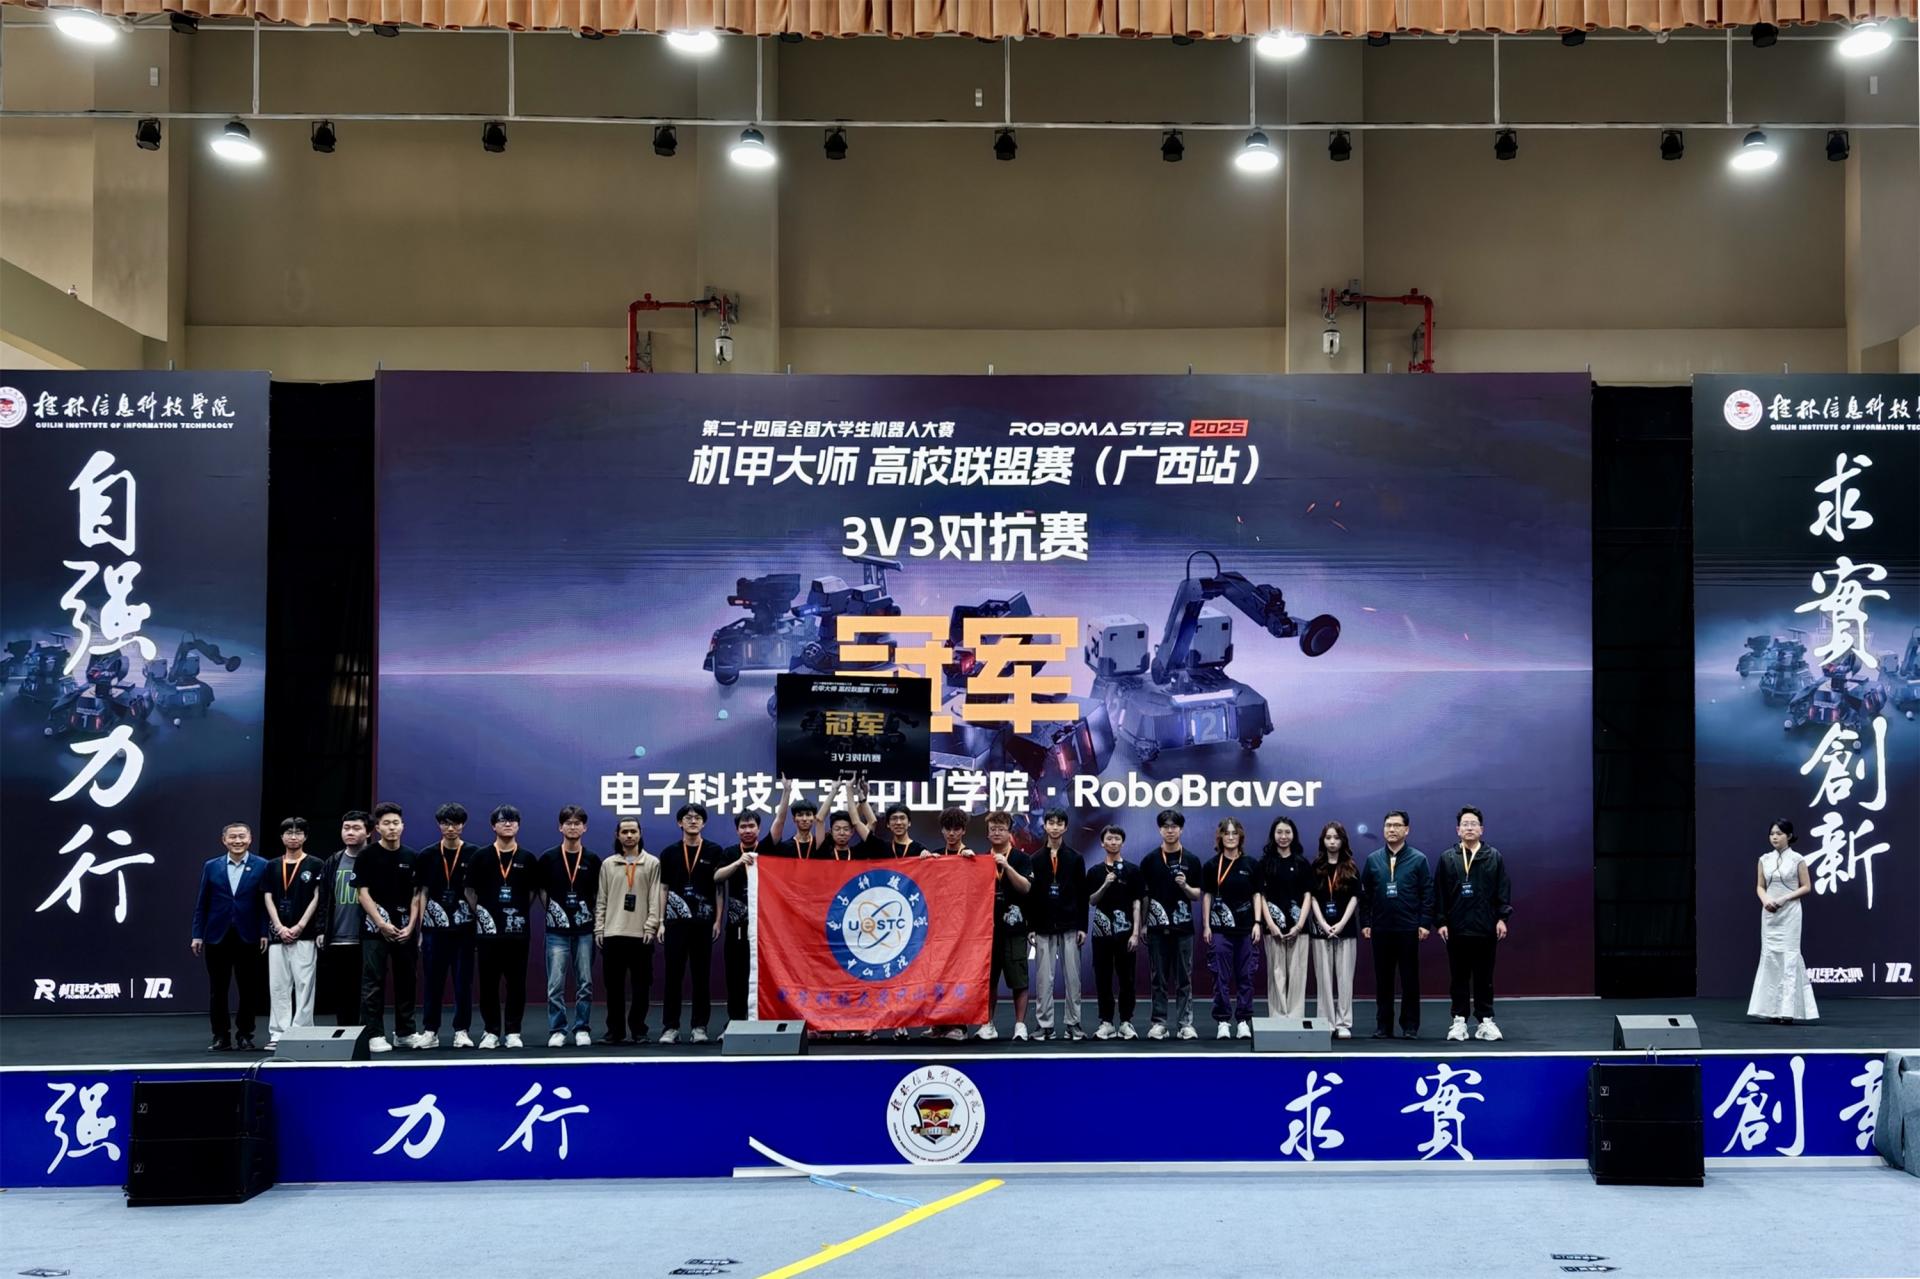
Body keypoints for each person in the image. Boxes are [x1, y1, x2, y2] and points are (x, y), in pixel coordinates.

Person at [1434, 805, 1513, 1042]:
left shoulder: (1493, 856)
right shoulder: (1448, 858)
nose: (1469, 828)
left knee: (1484, 977)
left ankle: (1485, 1020)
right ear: (1458, 830)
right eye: (1465, 824)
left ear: (1481, 829)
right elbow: (1439, 893)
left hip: (1485, 928)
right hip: (1456, 928)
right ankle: (1459, 1021)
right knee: (1458, 977)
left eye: (1473, 824)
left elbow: (1503, 890)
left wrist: (1502, 918)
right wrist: (1441, 922)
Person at [191, 822, 270, 1051]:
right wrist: (197, 934)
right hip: (217, 936)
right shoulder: (211, 866)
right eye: (233, 837)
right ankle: (220, 1036)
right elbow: (202, 903)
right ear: (224, 840)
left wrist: (264, 931)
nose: (237, 841)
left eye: (242, 836)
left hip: (249, 936)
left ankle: (245, 1034)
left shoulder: (262, 865)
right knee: (218, 990)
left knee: (248, 989)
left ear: (250, 839)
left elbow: (265, 903)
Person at [466, 804, 539, 1049]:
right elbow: (469, 891)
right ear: (493, 826)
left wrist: (516, 913)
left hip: (517, 934)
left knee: (516, 984)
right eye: (502, 820)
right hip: (488, 934)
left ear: (518, 825)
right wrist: (484, 914)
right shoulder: (480, 856)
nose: (507, 824)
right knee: (488, 984)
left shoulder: (527, 858)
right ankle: (491, 1031)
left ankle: (513, 1032)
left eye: (512, 820)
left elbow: (531, 893)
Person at [353, 801, 423, 1054]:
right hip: (375, 929)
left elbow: (417, 895)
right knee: (373, 982)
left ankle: (405, 1033)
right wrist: (381, 923)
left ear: (402, 826)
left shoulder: (412, 857)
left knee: (407, 980)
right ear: (377, 828)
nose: (392, 827)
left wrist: (412, 926)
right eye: (386, 823)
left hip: (404, 930)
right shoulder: (367, 855)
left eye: (396, 823)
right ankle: (374, 1034)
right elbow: (362, 893)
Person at [1359, 810, 1432, 1040]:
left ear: (1406, 830)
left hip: (1408, 928)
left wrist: (1425, 923)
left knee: (1410, 979)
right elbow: (1365, 895)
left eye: (1397, 826)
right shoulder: (1373, 859)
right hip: (1381, 928)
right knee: (1383, 980)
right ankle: (1384, 1026)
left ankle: (1410, 1026)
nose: (1392, 829)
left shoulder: (1418, 859)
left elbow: (1427, 894)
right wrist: (1366, 922)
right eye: (1388, 825)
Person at [416, 802, 479, 1049]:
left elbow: (477, 893)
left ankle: (461, 1031)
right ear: (439, 825)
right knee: (433, 981)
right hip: (434, 930)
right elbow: (422, 892)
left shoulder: (474, 854)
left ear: (463, 825)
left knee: (463, 982)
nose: (450, 828)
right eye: (445, 823)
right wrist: (420, 929)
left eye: (455, 823)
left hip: (464, 929)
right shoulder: (427, 855)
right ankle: (430, 1031)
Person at [660, 802, 723, 1043]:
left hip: (703, 924)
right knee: (673, 976)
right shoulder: (669, 852)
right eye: (688, 817)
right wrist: (661, 921)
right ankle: (670, 1028)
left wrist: (718, 920)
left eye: (697, 817)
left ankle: (699, 1027)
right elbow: (663, 888)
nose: (693, 821)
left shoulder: (714, 851)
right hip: (675, 923)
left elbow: (719, 889)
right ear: (680, 822)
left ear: (703, 823)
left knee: (701, 976)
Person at [596, 818, 662, 1044]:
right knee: (613, 988)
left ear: (640, 833)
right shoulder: (608, 864)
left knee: (641, 987)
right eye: (624, 832)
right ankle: (615, 1031)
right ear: (618, 835)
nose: (629, 836)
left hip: (640, 935)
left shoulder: (652, 863)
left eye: (633, 831)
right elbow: (602, 899)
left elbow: (655, 897)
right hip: (612, 934)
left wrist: (651, 925)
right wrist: (599, 928)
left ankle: (639, 1030)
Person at [1140, 809, 1204, 1040]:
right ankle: (1159, 1023)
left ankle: (1185, 1024)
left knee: (1184, 978)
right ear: (1160, 830)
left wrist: (1185, 886)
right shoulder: (1149, 860)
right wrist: (1144, 924)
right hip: (1156, 929)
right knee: (1158, 978)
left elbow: (1197, 895)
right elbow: (1145, 896)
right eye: (1166, 827)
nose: (1170, 830)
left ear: (1181, 829)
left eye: (1174, 826)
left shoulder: (1191, 860)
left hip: (1183, 928)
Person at [540, 805, 601, 1048]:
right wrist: (556, 914)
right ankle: (558, 1029)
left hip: (584, 930)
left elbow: (597, 894)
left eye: (577, 823)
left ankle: (582, 1028)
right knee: (555, 983)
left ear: (584, 828)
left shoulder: (592, 859)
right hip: (556, 932)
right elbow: (542, 891)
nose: (573, 827)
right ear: (560, 827)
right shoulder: (548, 858)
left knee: (585, 982)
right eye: (568, 823)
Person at [1748, 819, 1818, 1025]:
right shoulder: (1764, 859)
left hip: (1790, 912)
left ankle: (1787, 1011)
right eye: (1772, 834)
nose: (1775, 837)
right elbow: (1760, 886)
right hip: (1769, 912)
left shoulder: (1797, 859)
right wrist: (1766, 901)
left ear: (1789, 836)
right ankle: (1770, 1009)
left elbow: (1806, 887)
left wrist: (1784, 899)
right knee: (1770, 956)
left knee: (1789, 956)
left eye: (1779, 833)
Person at [263, 817, 325, 1049]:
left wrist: (300, 925)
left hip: (305, 934)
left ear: (305, 837)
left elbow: (318, 897)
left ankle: (301, 1031)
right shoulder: (272, 865)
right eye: (289, 832)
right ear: (282, 837)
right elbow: (268, 896)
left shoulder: (315, 864)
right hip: (278, 935)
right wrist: (279, 926)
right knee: (278, 986)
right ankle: (278, 1032)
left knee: (305, 984)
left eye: (298, 833)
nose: (293, 837)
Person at [1027, 806, 1088, 1041]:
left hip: (1070, 924)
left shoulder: (1075, 858)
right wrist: (1031, 927)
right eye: (1050, 823)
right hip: (1043, 925)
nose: (1054, 827)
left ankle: (1073, 1023)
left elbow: (1082, 895)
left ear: (1065, 827)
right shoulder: (1035, 859)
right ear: (1044, 826)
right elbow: (1031, 896)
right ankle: (1045, 1025)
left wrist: (1082, 926)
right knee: (1044, 979)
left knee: (1073, 978)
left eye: (1059, 823)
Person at [1201, 817, 1262, 1039]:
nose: (1230, 837)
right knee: (1221, 976)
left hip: (1246, 929)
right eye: (1226, 833)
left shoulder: (1251, 864)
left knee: (1246, 976)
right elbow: (1207, 896)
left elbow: (1257, 895)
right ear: (1220, 837)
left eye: (1234, 833)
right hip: (1219, 929)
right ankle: (1223, 1021)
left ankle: (1243, 1020)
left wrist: (1257, 922)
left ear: (1240, 836)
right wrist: (1206, 925)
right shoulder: (1211, 865)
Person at [977, 810, 1033, 1041]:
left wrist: (1007, 866)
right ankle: (988, 1024)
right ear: (988, 834)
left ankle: (1020, 1025)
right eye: (993, 829)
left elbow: (1026, 888)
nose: (997, 833)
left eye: (1001, 829)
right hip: (987, 931)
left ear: (1010, 832)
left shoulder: (1021, 859)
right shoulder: (980, 859)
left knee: (1019, 980)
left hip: (1015, 929)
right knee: (988, 980)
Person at [922, 809, 976, 1041]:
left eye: (956, 829)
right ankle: (938, 1024)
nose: (952, 833)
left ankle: (959, 1026)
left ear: (963, 830)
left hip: (962, 927)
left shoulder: (971, 857)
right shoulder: (935, 855)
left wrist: (973, 863)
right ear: (942, 830)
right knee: (936, 976)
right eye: (948, 829)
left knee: (958, 976)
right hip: (938, 927)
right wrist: (924, 863)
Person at [1086, 824, 1143, 1039]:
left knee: (1127, 979)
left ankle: (1126, 1021)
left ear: (1122, 842)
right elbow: (1092, 900)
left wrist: (1135, 933)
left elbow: (1137, 903)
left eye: (1117, 838)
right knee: (1103, 978)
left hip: (1125, 933)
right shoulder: (1095, 872)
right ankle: (1106, 1022)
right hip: (1101, 934)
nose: (1113, 842)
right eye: (1109, 838)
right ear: (1102, 843)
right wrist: (1105, 884)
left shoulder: (1133, 870)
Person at [1254, 815, 1313, 1020]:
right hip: (1273, 929)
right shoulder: (1264, 863)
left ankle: (1295, 1018)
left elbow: (1308, 895)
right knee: (1276, 973)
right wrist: (1270, 924)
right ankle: (1278, 1018)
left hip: (1299, 929)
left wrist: (1299, 925)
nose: (1283, 836)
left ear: (1293, 835)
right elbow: (1260, 896)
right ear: (1273, 835)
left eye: (1287, 832)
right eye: (1279, 832)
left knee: (1297, 974)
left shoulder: (1302, 863)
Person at [713, 811, 765, 1026]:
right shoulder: (730, 852)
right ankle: (735, 1022)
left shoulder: (767, 851)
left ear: (758, 828)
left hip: (764, 928)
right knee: (736, 976)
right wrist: (737, 863)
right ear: (737, 830)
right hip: (737, 927)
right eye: (743, 827)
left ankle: (761, 1020)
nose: (747, 830)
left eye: (751, 826)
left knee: (763, 976)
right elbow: (717, 877)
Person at [319, 811, 371, 1026]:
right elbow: (323, 897)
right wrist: (321, 929)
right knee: (341, 990)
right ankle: (344, 1031)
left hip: (366, 937)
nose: (350, 832)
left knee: (367, 989)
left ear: (369, 832)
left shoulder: (374, 858)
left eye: (356, 828)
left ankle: (368, 1032)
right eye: (346, 828)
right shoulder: (333, 860)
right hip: (337, 936)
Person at [1310, 820, 1360, 1039]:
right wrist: (1322, 923)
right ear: (1323, 840)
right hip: (1320, 930)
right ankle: (1326, 1021)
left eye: (1336, 838)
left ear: (1342, 841)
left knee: (1345, 978)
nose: (1332, 841)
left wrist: (1341, 923)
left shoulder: (1350, 866)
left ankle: (1343, 1022)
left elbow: (1355, 898)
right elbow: (1311, 898)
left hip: (1345, 930)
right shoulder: (1316, 867)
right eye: (1328, 837)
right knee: (1323, 978)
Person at [860, 802, 927, 860]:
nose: (898, 822)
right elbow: (858, 823)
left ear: (909, 823)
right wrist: (861, 796)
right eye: (894, 818)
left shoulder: (919, 850)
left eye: (902, 818)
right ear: (888, 824)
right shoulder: (882, 848)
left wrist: (928, 858)